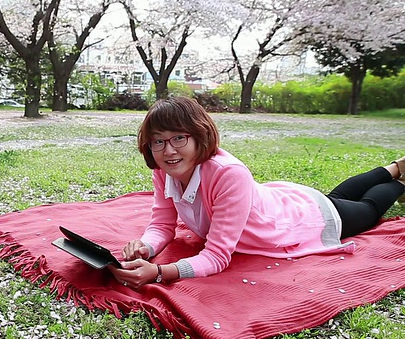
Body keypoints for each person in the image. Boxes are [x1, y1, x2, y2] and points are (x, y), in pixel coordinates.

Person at [109, 96, 405, 288]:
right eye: (157, 141)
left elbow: (215, 256)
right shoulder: (164, 169)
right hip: (284, 199)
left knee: (366, 209)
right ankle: (394, 166)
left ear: (200, 136)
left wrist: (160, 272)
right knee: (336, 197)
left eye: (178, 138)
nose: (168, 150)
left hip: (301, 221)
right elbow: (162, 224)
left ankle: (399, 182)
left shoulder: (228, 174)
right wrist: (146, 248)